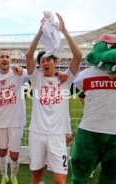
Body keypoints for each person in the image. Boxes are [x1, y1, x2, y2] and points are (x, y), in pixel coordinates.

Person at [26, 13, 81, 184]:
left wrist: (64, 31)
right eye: (42, 61)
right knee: (36, 176)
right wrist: (39, 32)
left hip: (57, 135)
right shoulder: (36, 79)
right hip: (37, 133)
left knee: (59, 180)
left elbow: (78, 56)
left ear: (55, 61)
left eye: (48, 59)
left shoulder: (65, 79)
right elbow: (29, 56)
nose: (44, 62)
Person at [71, 46, 116, 183]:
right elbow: (70, 88)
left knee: (112, 179)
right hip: (89, 132)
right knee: (80, 176)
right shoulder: (87, 73)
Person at [0, 49, 29, 184]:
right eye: (2, 57)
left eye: (7, 57)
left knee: (14, 155)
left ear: (11, 60)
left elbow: (35, 75)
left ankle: (14, 177)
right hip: (0, 121)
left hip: (17, 121)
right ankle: (4, 177)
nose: (4, 59)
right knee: (2, 152)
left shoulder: (19, 73)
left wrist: (23, 70)